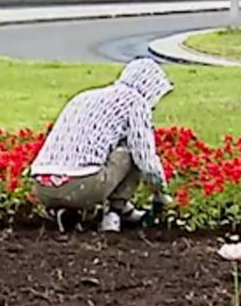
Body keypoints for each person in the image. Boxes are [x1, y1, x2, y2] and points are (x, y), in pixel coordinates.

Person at [29, 57, 175, 232]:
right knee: (131, 151)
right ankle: (114, 214)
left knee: (99, 154)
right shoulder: (135, 101)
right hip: (83, 186)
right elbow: (145, 159)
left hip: (42, 187)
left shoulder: (84, 97)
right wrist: (161, 193)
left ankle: (69, 212)